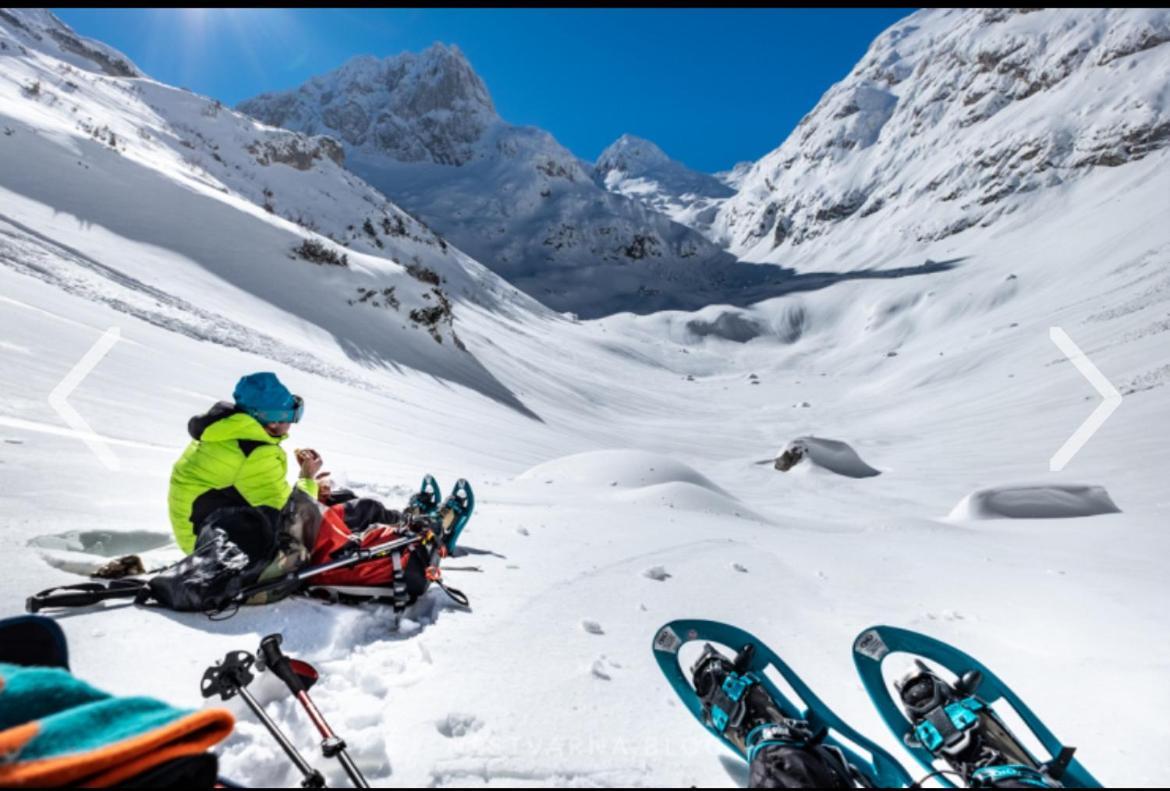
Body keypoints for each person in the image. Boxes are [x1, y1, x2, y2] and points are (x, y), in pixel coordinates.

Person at [167, 372, 324, 554]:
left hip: (203, 533)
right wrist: (307, 477)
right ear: (273, 422)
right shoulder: (253, 453)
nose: (292, 423)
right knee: (309, 541)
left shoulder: (227, 431)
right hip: (214, 551)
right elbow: (293, 517)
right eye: (291, 416)